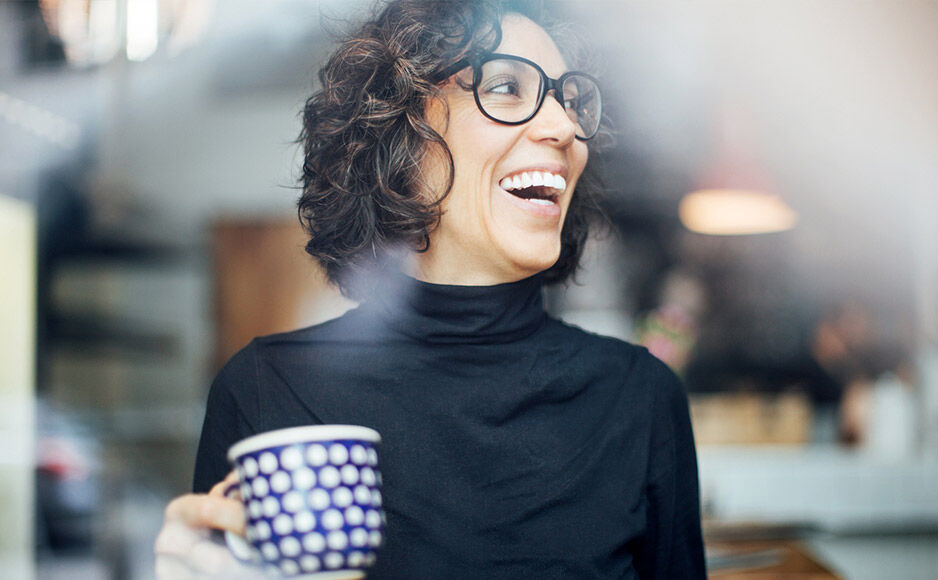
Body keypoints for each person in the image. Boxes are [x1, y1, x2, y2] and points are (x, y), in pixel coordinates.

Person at [154, 1, 706, 578]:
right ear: (401, 132)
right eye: (507, 88)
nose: (565, 127)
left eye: (570, 102)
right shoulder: (269, 392)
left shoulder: (639, 399)